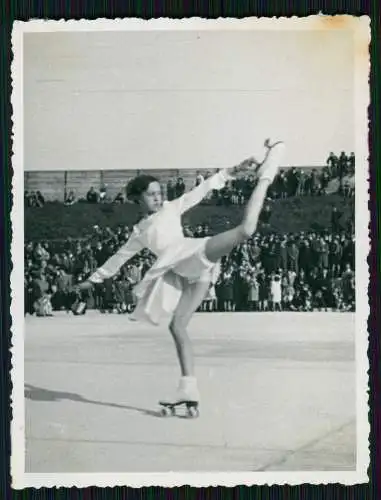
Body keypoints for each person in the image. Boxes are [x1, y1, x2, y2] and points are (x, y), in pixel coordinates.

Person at [76, 140, 285, 408]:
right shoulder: (139, 232)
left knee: (246, 230)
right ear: (137, 199)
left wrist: (234, 169)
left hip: (191, 254)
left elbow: (203, 189)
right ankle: (188, 389)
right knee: (177, 326)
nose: (157, 197)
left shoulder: (171, 208)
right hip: (187, 271)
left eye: (158, 192)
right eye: (151, 194)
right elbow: (119, 258)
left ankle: (268, 173)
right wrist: (92, 280)